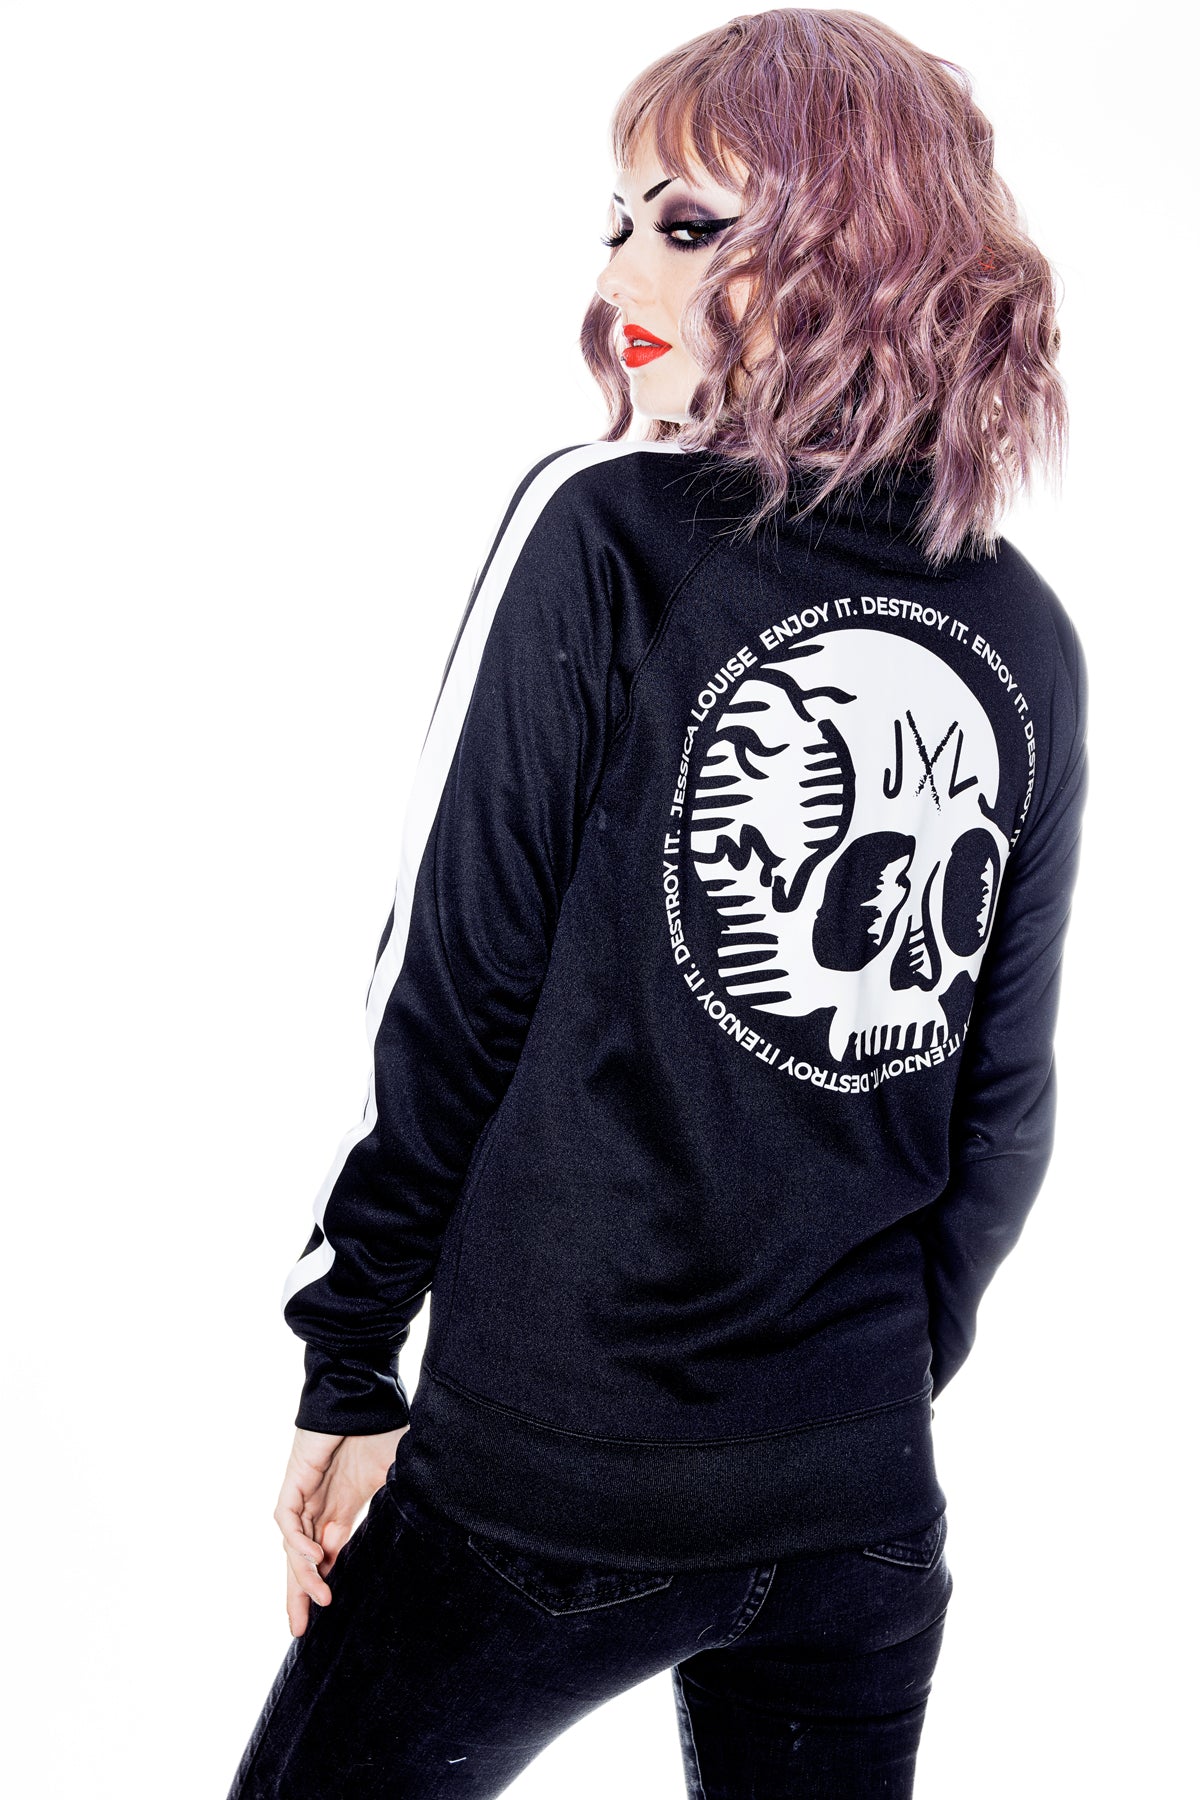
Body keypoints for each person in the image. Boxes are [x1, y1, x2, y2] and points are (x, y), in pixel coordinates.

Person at [225, 10, 1089, 1797]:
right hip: (860, 1506)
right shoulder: (1022, 626)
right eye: (618, 219)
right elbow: (1000, 1108)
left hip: (547, 1476)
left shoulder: (606, 526)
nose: (621, 271)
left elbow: (453, 983)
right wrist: (851, 1395)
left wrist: (348, 1360)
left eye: (689, 226)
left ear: (861, 252)